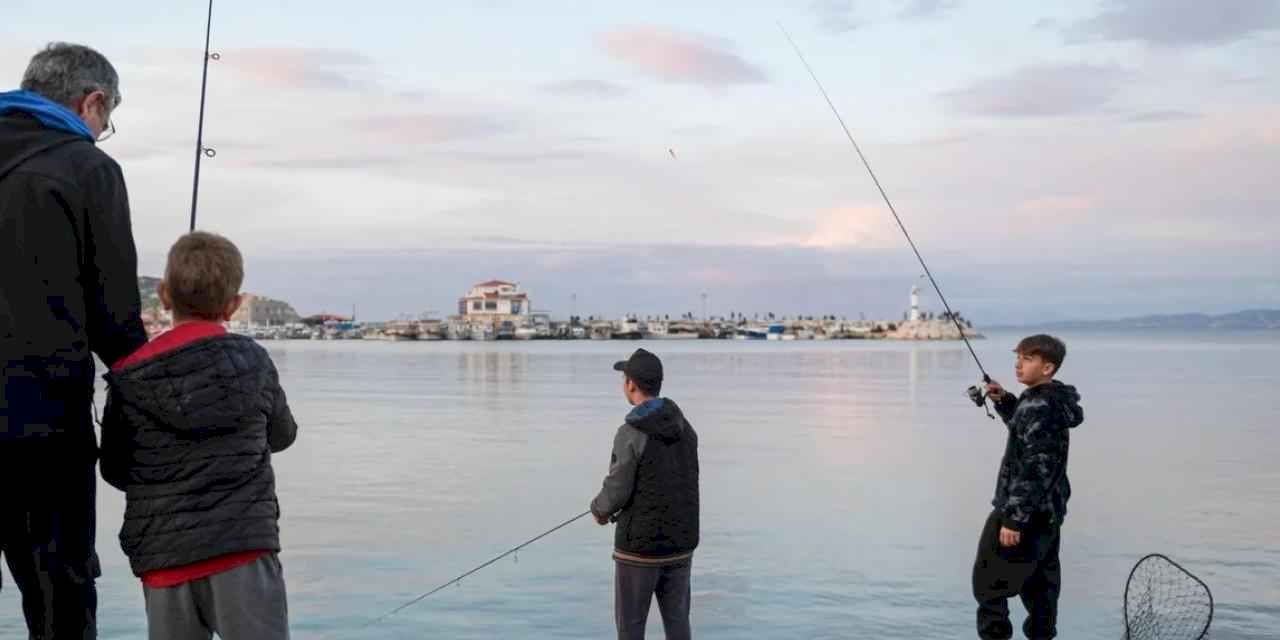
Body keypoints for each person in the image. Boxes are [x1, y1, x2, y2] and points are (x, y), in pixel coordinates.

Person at [0, 42, 145, 639]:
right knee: (60, 588)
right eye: (105, 119)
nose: (102, 131)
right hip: (42, 426)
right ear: (92, 101)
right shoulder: (87, 169)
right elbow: (115, 320)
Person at [100, 232, 297, 640]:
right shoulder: (254, 361)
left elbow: (116, 469)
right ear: (234, 304)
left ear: (165, 296)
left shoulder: (129, 376)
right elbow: (282, 435)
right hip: (243, 548)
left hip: (165, 560)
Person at [972, 335, 1083, 639]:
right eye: (1018, 356)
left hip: (1026, 512)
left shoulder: (1039, 404)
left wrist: (1014, 518)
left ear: (1047, 367)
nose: (1018, 364)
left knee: (988, 584)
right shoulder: (1049, 399)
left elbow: (1038, 465)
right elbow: (1028, 433)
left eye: (1028, 358)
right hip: (1048, 512)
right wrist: (1006, 401)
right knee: (1041, 589)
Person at [590, 348, 700, 640]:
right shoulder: (685, 427)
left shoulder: (631, 431)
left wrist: (599, 510)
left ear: (630, 384)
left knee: (631, 628)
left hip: (639, 549)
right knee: (678, 624)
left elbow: (617, 490)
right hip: (681, 543)